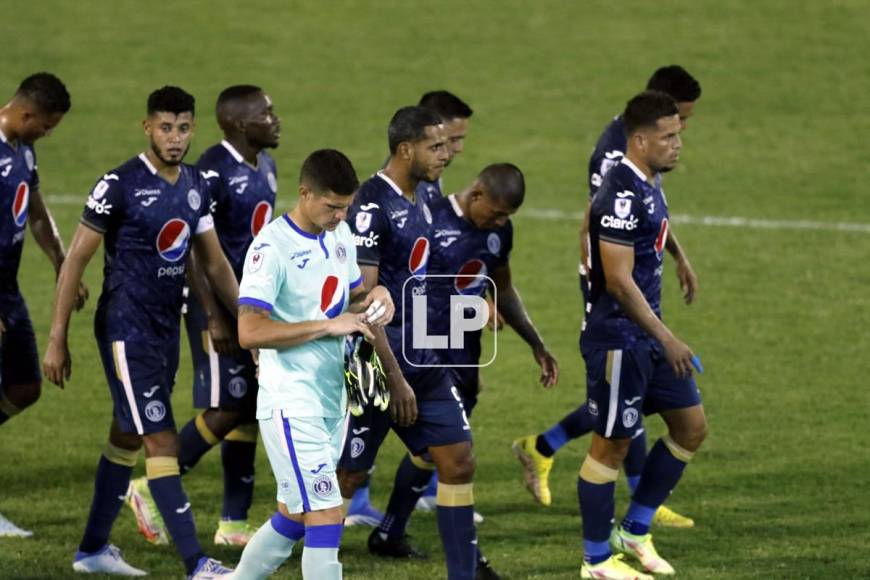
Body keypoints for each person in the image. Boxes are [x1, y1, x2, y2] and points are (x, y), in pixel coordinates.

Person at [42, 86, 236, 578]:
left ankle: (91, 551)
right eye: (166, 127)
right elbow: (76, 261)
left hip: (165, 325)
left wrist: (246, 320)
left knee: (126, 434)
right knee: (161, 441)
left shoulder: (194, 183)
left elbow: (213, 263)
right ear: (147, 127)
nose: (175, 138)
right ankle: (197, 563)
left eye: (184, 128)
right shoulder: (119, 184)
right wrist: (57, 337)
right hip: (126, 327)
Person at [512, 66, 701, 529]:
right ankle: (613, 528)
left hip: (637, 289)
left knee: (632, 401)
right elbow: (594, 225)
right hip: (614, 294)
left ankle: (550, 448)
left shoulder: (650, 150)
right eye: (679, 124)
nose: (683, 136)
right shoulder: (615, 157)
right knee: (621, 402)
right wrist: (597, 282)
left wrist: (676, 252)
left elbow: (648, 218)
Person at [125, 84, 280, 547]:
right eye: (265, 113)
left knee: (249, 406)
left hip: (247, 303)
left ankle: (232, 523)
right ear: (237, 123)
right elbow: (195, 245)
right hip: (214, 306)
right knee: (228, 404)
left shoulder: (265, 166)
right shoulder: (212, 168)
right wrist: (213, 315)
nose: (275, 119)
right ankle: (152, 483)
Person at [230, 149, 394, 580]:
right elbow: (249, 331)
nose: (341, 216)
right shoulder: (271, 248)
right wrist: (326, 326)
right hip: (291, 402)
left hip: (330, 398)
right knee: (326, 512)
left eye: (346, 207)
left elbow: (353, 298)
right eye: (332, 206)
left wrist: (378, 298)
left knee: (293, 514)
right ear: (304, 194)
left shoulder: (340, 236)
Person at [575, 90, 707, 579]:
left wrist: (679, 256)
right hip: (618, 340)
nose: (678, 144)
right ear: (640, 139)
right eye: (668, 136)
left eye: (678, 134)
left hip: (646, 336)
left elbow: (653, 232)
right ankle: (595, 561)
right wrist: (668, 337)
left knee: (691, 427)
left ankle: (634, 529)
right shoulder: (621, 193)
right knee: (610, 446)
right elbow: (618, 280)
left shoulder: (650, 180)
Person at [345, 89, 475, 526]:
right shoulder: (371, 205)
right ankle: (271, 557)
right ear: (405, 149)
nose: (447, 155)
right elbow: (363, 301)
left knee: (457, 458)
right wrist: (395, 378)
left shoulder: (421, 198)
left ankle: (465, 568)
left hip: (420, 353)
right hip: (374, 362)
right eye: (435, 147)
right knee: (346, 474)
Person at [0, 72, 86, 538]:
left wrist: (60, 260)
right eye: (46, 127)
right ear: (26, 114)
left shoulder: (21, 148)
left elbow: (33, 208)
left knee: (24, 386)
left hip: (7, 289)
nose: (48, 135)